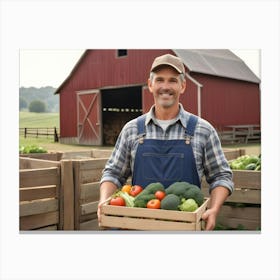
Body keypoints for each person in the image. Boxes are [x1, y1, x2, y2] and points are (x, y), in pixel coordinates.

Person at [97, 53, 234, 230]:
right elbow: (113, 173)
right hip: (137, 227)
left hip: (185, 229)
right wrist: (104, 202)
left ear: (183, 86)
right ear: (150, 85)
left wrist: (214, 209)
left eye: (173, 80)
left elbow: (221, 176)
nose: (165, 87)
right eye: (160, 80)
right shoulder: (132, 130)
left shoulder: (203, 130)